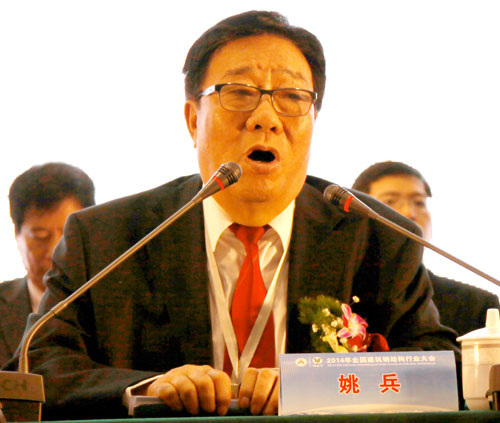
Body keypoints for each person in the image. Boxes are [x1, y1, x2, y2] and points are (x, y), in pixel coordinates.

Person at [12, 11, 458, 420]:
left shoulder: (376, 236)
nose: (266, 118)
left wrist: (318, 385)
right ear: (193, 120)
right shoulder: (106, 238)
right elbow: (39, 363)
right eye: (240, 94)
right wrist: (147, 387)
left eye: (291, 97)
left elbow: (439, 365)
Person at [352, 160, 499, 336]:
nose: (409, 213)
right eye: (389, 201)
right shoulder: (343, 301)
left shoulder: (476, 306)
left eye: (419, 202)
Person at [0, 162, 95, 368]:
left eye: (67, 235)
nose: (54, 251)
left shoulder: (117, 309)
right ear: (17, 235)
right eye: (40, 236)